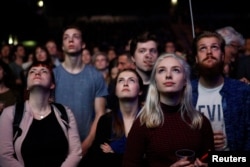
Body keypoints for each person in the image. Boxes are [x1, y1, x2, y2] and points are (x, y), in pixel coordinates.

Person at [123, 53, 214, 167]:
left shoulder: (201, 122)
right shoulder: (143, 123)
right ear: (155, 81)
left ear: (185, 80)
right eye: (161, 70)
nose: (168, 75)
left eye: (176, 70)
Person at [0, 61, 82, 167]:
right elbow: (4, 156)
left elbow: (75, 153)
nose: (37, 73)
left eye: (43, 71)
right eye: (32, 71)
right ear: (27, 86)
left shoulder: (65, 112)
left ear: (52, 84)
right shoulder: (10, 113)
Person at [53, 24, 108, 162]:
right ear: (63, 46)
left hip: (88, 145)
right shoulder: (53, 75)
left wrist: (86, 144)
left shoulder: (95, 76)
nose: (71, 40)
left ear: (83, 44)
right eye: (66, 38)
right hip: (58, 145)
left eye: (75, 37)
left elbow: (100, 114)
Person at [191, 30, 250, 151]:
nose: (209, 52)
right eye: (202, 48)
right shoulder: (184, 93)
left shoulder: (242, 91)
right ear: (196, 58)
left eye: (214, 47)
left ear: (223, 56)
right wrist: (201, 139)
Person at [86, 69, 143, 167]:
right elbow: (98, 159)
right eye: (121, 80)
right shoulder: (105, 120)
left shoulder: (151, 119)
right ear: (116, 90)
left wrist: (114, 153)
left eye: (131, 80)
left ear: (140, 90)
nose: (125, 83)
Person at [129, 31, 159, 106]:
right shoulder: (123, 85)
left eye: (153, 51)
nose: (148, 55)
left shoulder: (165, 84)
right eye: (142, 51)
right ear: (133, 57)